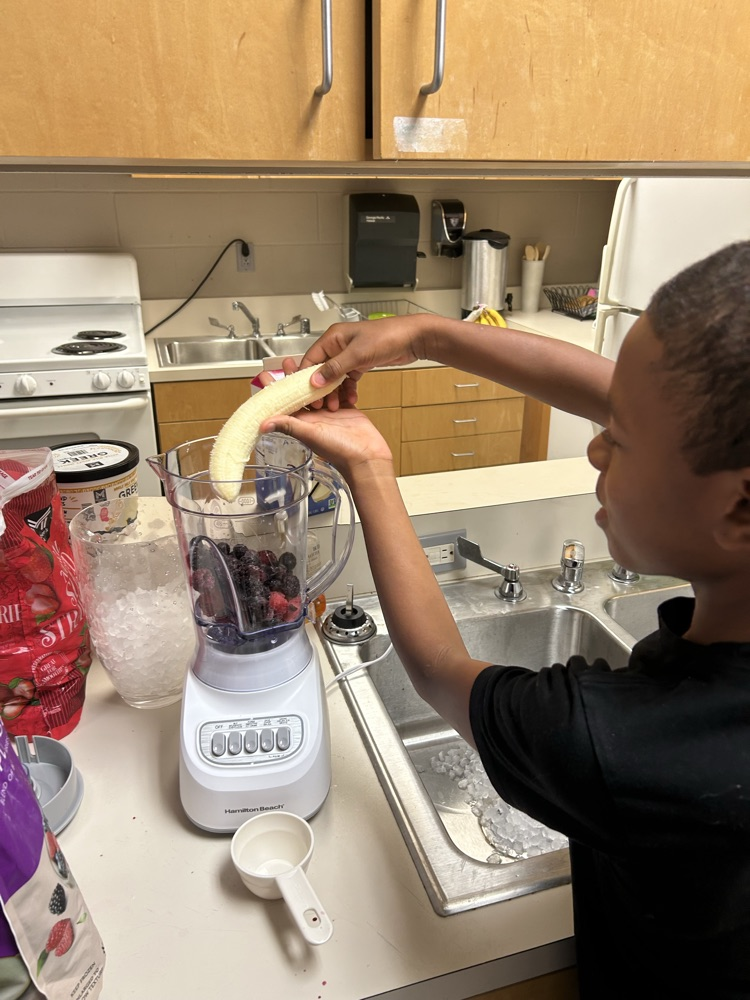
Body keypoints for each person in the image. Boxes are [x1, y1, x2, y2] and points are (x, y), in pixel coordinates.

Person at [261, 242, 750, 999]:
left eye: (616, 436)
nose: (593, 443)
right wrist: (425, 334)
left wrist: (368, 467)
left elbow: (439, 670)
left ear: (741, 506)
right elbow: (618, 395)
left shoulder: (630, 745)